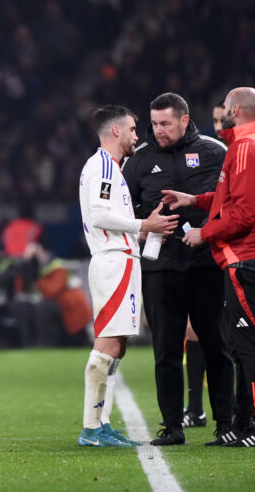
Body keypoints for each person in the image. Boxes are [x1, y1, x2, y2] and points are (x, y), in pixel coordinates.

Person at [163, 87, 255, 447]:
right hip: (251, 258)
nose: (223, 116)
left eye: (227, 110)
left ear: (236, 110)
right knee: (239, 345)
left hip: (247, 259)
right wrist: (194, 200)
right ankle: (242, 425)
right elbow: (230, 198)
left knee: (246, 346)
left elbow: (243, 213)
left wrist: (203, 233)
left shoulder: (246, 149)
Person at [121, 92, 234, 446]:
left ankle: (225, 424)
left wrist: (210, 231)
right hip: (161, 268)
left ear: (184, 120)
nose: (158, 130)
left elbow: (233, 203)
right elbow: (123, 211)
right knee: (166, 351)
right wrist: (144, 225)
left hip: (205, 266)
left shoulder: (215, 153)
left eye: (165, 123)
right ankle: (172, 427)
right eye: (154, 123)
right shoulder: (138, 161)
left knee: (216, 346)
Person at [77, 105, 179, 447]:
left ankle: (102, 423)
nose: (138, 136)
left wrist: (143, 230)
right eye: (133, 129)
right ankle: (91, 429)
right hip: (113, 262)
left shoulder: (111, 168)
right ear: (116, 131)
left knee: (117, 345)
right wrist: (142, 224)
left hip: (122, 259)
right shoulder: (104, 166)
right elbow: (98, 215)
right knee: (108, 343)